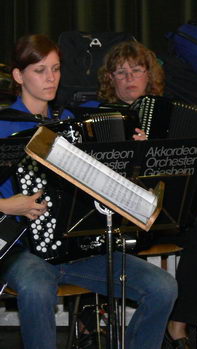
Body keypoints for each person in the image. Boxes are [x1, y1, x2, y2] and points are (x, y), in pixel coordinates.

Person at [0, 34, 177, 349]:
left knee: (162, 287)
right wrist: (5, 204)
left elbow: (103, 182)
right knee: (37, 288)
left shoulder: (70, 122)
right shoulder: (3, 125)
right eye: (40, 70)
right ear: (18, 76)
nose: (51, 78)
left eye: (55, 69)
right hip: (22, 250)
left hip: (77, 249)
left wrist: (138, 155)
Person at [95, 40, 197, 349]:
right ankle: (94, 321)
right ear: (110, 79)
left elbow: (187, 182)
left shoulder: (170, 113)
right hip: (117, 217)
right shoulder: (102, 117)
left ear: (149, 74)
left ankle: (177, 325)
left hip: (161, 215)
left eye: (136, 70)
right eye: (120, 72)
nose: (129, 78)